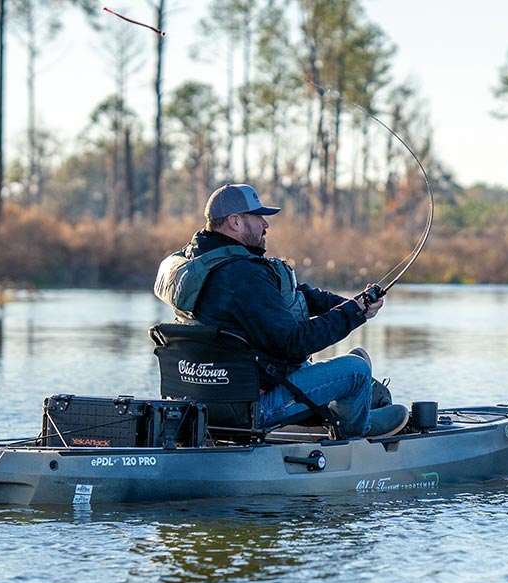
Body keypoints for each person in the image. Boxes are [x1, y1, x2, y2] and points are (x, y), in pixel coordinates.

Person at [153, 183, 409, 438]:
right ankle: (357, 431)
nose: (266, 225)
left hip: (203, 404)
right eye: (258, 217)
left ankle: (321, 416)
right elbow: (294, 342)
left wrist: (354, 307)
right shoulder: (244, 275)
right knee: (357, 369)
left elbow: (293, 295)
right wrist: (350, 315)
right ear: (235, 222)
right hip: (253, 408)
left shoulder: (195, 264)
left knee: (358, 356)